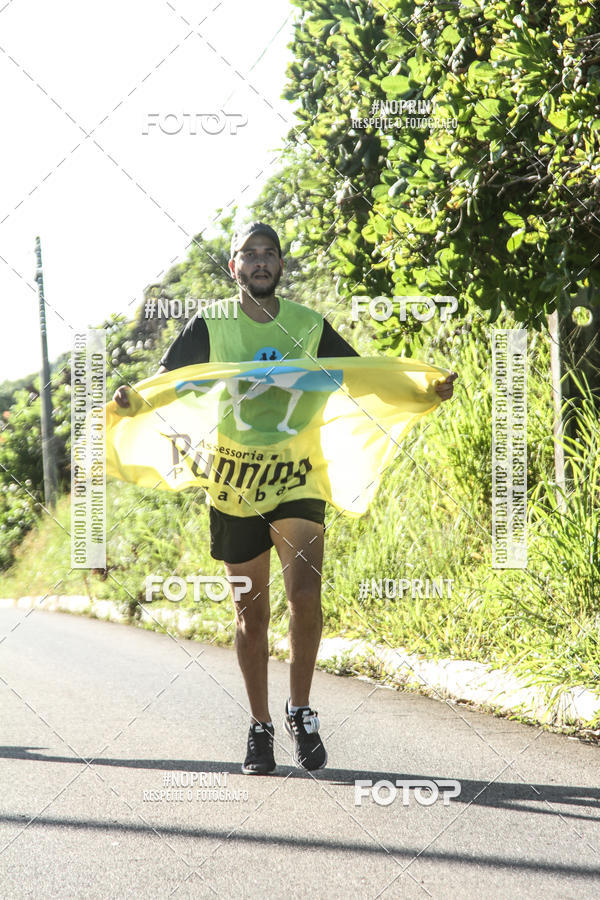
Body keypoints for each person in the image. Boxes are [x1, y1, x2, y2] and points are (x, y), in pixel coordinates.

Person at [113, 222, 457, 775]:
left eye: (269, 253)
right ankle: (260, 726)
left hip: (298, 478)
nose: (260, 262)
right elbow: (167, 382)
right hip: (234, 484)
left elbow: (360, 375)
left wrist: (422, 388)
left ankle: (300, 711)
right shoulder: (211, 324)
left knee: (304, 596)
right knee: (250, 614)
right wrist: (132, 399)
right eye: (248, 254)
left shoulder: (307, 325)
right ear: (234, 268)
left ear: (280, 266)